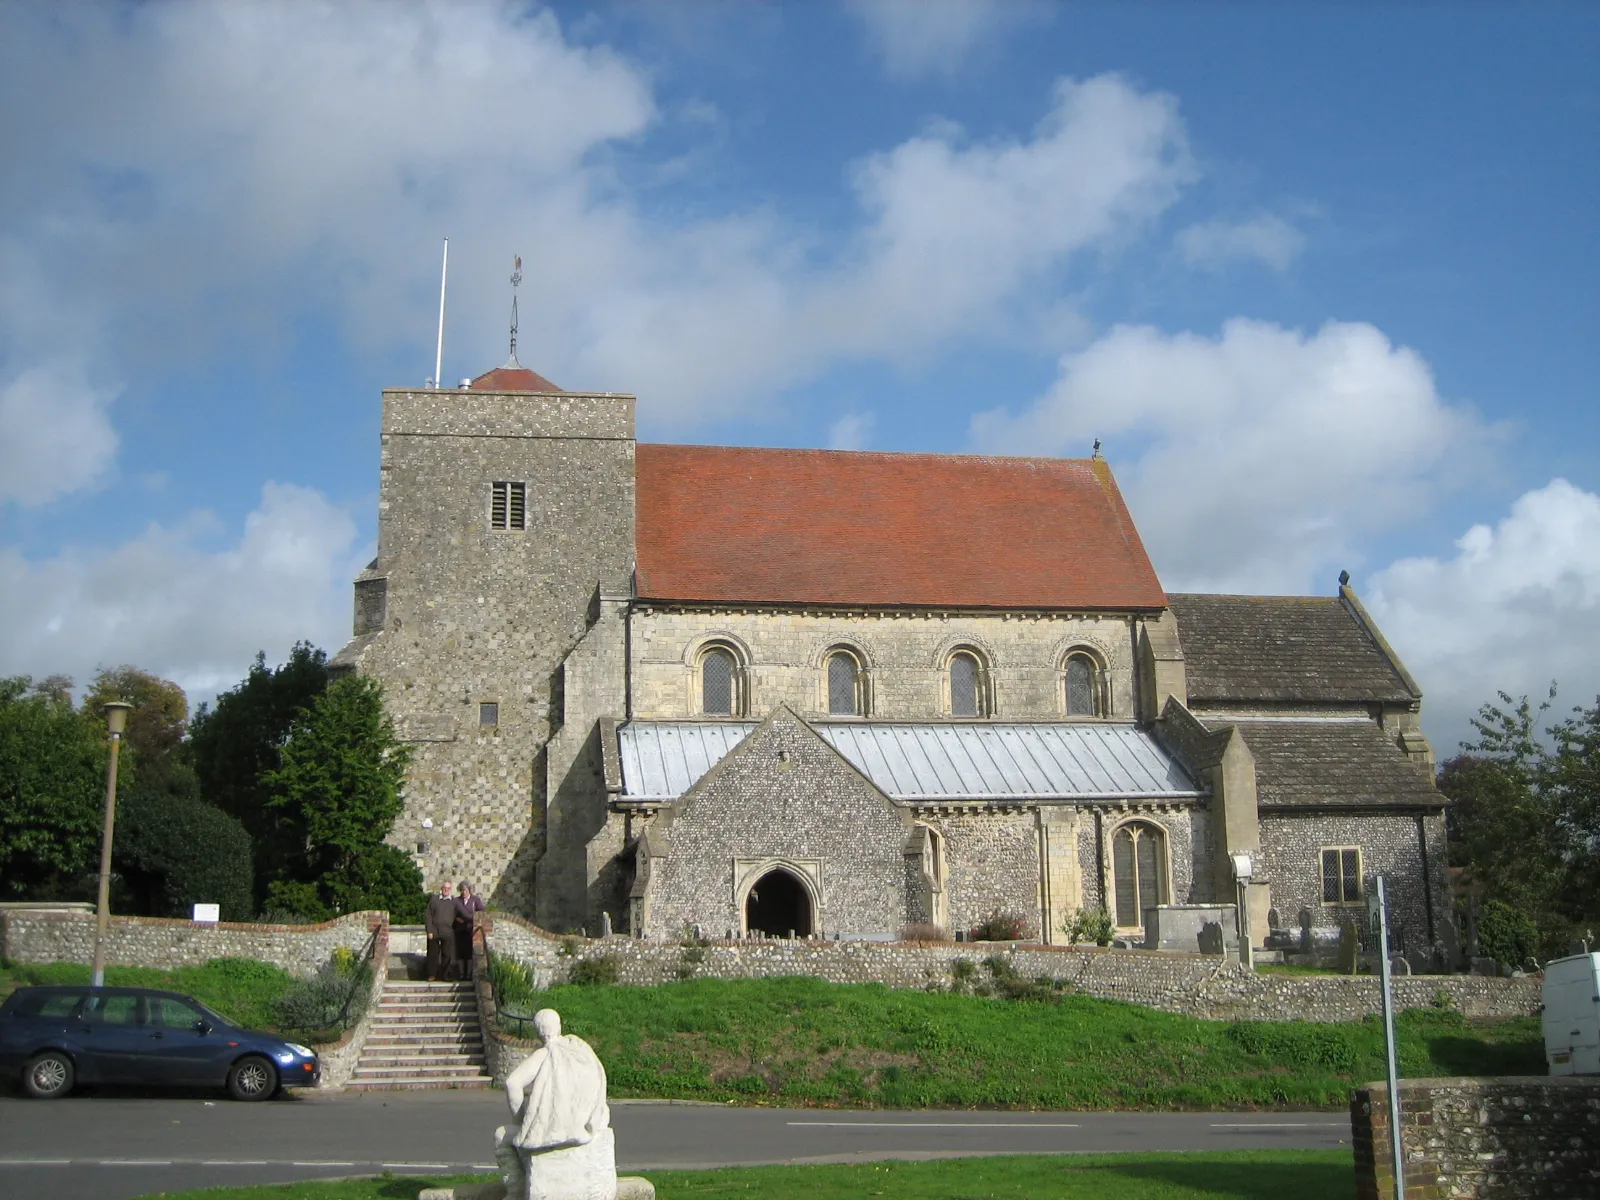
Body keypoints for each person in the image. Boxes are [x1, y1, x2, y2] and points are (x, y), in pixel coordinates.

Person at [493, 1008, 615, 1200]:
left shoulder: (544, 1054)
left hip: (550, 1133)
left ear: (538, 1032)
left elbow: (512, 1084)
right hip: (586, 1127)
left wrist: (521, 1122)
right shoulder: (580, 1048)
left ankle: (516, 1191)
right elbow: (599, 1078)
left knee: (501, 1136)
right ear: (559, 1026)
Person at [425, 879, 458, 982]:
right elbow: (428, 915)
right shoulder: (434, 900)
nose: (446, 890)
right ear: (441, 888)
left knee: (447, 955)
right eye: (444, 888)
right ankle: (432, 975)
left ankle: (444, 975)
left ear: (450, 890)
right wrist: (429, 930)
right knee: (432, 954)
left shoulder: (454, 902)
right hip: (434, 931)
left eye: (448, 888)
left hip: (448, 932)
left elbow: (458, 916)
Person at [454, 880, 486, 979]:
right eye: (462, 890)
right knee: (460, 952)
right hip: (459, 930)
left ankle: (468, 974)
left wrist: (472, 917)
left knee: (468, 953)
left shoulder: (475, 900)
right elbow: (453, 913)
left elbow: (482, 912)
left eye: (465, 890)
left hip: (470, 929)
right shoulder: (456, 901)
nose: (464, 892)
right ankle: (461, 973)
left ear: (469, 890)